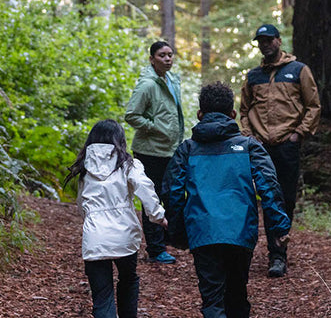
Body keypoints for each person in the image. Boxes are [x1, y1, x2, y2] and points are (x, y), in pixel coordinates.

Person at [165, 83, 291, 318]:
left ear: (200, 115)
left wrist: (177, 231)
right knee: (237, 294)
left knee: (212, 299)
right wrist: (279, 228)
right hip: (240, 232)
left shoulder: (187, 149)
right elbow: (270, 188)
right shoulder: (249, 147)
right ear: (233, 114)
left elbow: (172, 191)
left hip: (202, 232)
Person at [62, 119, 168, 318]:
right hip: (124, 235)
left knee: (103, 297)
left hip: (95, 237)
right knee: (128, 280)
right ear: (119, 139)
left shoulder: (85, 167)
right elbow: (144, 187)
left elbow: (82, 204)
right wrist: (158, 216)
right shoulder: (128, 163)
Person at [237, 24, 320, 278]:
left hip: (287, 145)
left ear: (278, 40)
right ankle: (266, 253)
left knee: (285, 199)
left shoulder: (298, 70)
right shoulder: (253, 76)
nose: (265, 44)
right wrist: (250, 137)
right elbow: (243, 111)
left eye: (269, 39)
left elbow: (313, 106)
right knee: (262, 199)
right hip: (261, 147)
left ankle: (279, 252)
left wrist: (298, 134)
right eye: (261, 41)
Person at [123, 41, 186, 264]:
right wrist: (155, 128)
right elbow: (131, 114)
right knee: (152, 198)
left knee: (169, 195)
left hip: (170, 149)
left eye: (170, 55)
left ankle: (166, 240)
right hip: (150, 151)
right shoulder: (147, 85)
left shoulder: (172, 80)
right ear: (152, 59)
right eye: (162, 55)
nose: (168, 59)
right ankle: (155, 248)